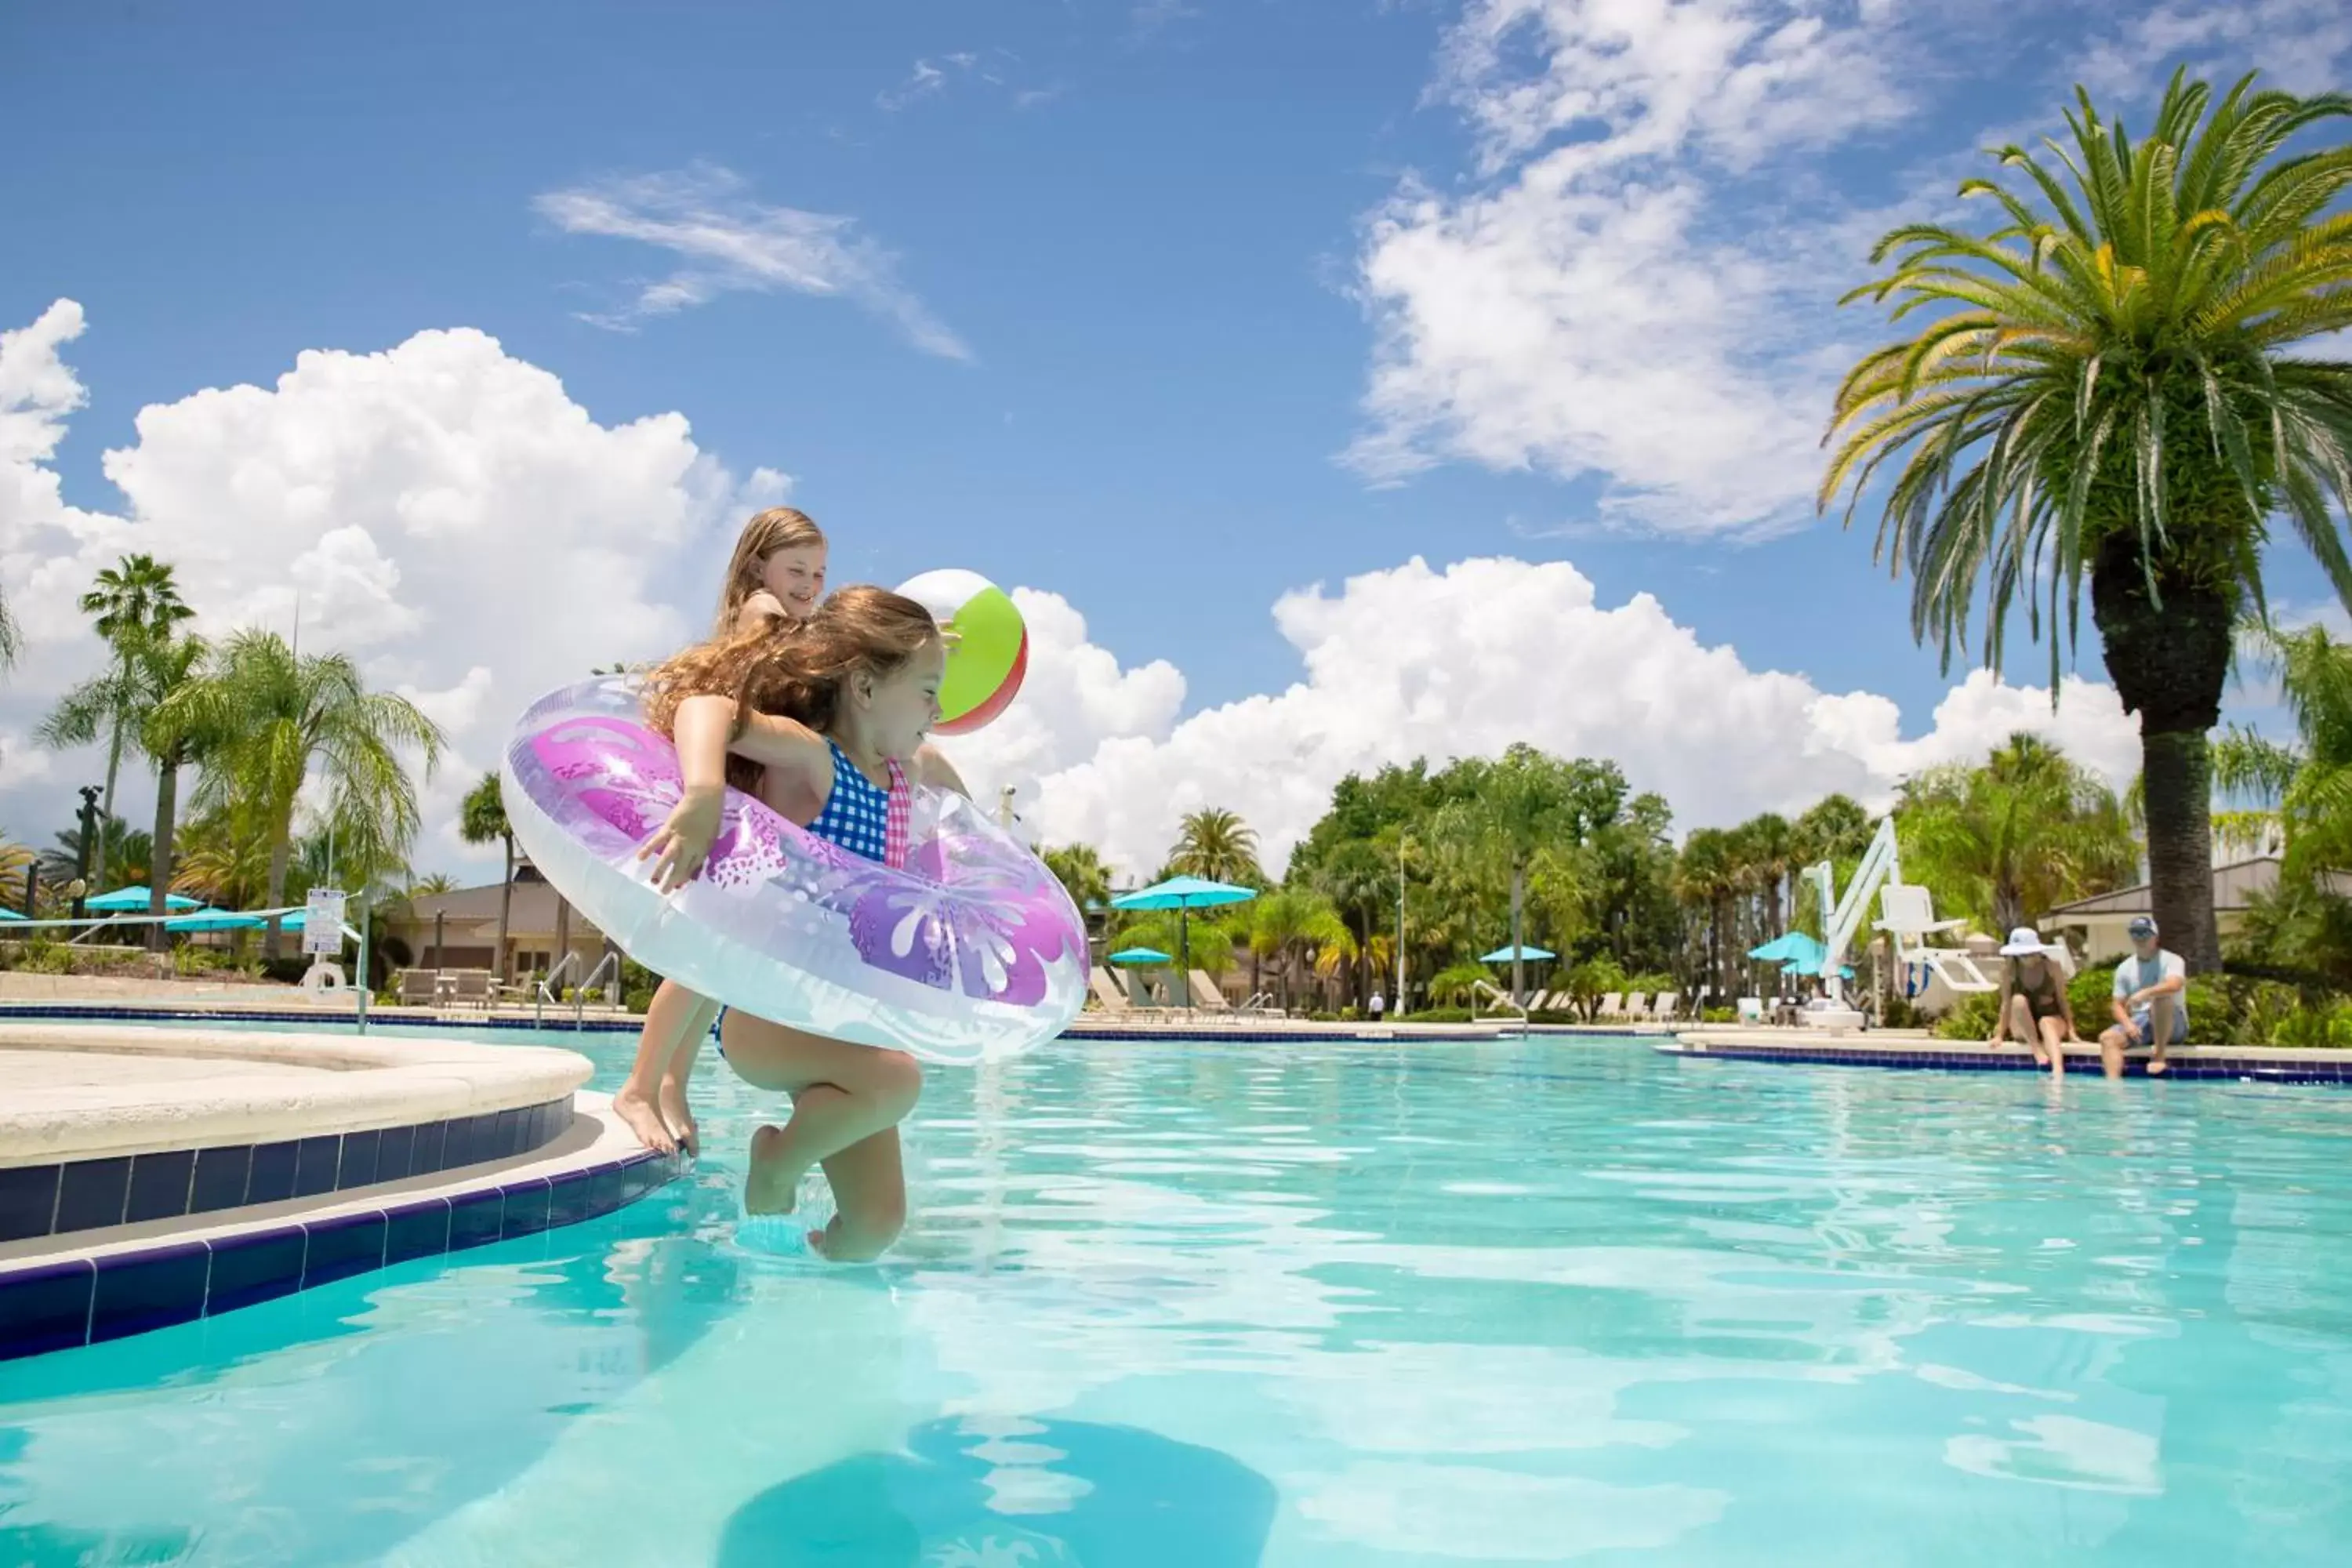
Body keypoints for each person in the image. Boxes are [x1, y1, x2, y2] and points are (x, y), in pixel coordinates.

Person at [638, 585, 967, 1260]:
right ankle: (777, 1164)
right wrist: (703, 795)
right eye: (928, 691)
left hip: (846, 1024)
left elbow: (975, 829)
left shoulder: (908, 774)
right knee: (898, 1080)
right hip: (771, 1014)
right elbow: (707, 709)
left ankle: (803, 1298)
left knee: (874, 1231)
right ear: (867, 691)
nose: (939, 709)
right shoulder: (821, 761)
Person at [2100, 915, 2187, 1079]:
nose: (2140, 938)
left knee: (2161, 999)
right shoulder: (2124, 968)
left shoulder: (2172, 960)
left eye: (2145, 933)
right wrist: (2127, 1024)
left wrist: (2146, 993)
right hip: (2142, 1023)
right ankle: (2113, 1089)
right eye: (2135, 933)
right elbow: (2117, 1004)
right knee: (2107, 1039)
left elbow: (2174, 985)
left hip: (2173, 1022)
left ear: (2156, 937)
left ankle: (2159, 1057)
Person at [1988, 927, 2074, 1076]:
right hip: (2023, 1028)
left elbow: (2062, 1000)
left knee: (2046, 1023)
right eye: (2022, 955)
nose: (2027, 959)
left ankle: (2058, 1070)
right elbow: (2006, 1004)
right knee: (2018, 1000)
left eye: (2030, 954)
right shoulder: (2009, 970)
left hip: (2051, 1021)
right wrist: (2000, 1035)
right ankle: (2036, 1049)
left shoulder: (2052, 967)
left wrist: (2072, 1031)